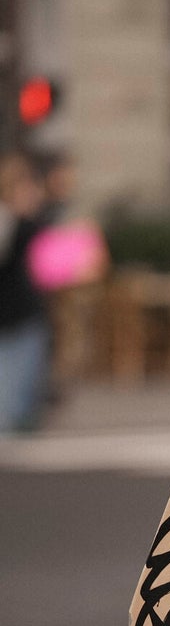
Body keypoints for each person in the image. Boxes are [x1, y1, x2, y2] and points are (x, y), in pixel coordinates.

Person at [0, 151, 52, 432]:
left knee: (26, 390)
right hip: (10, 318)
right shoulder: (7, 220)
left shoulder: (31, 224)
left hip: (28, 314)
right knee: (10, 397)